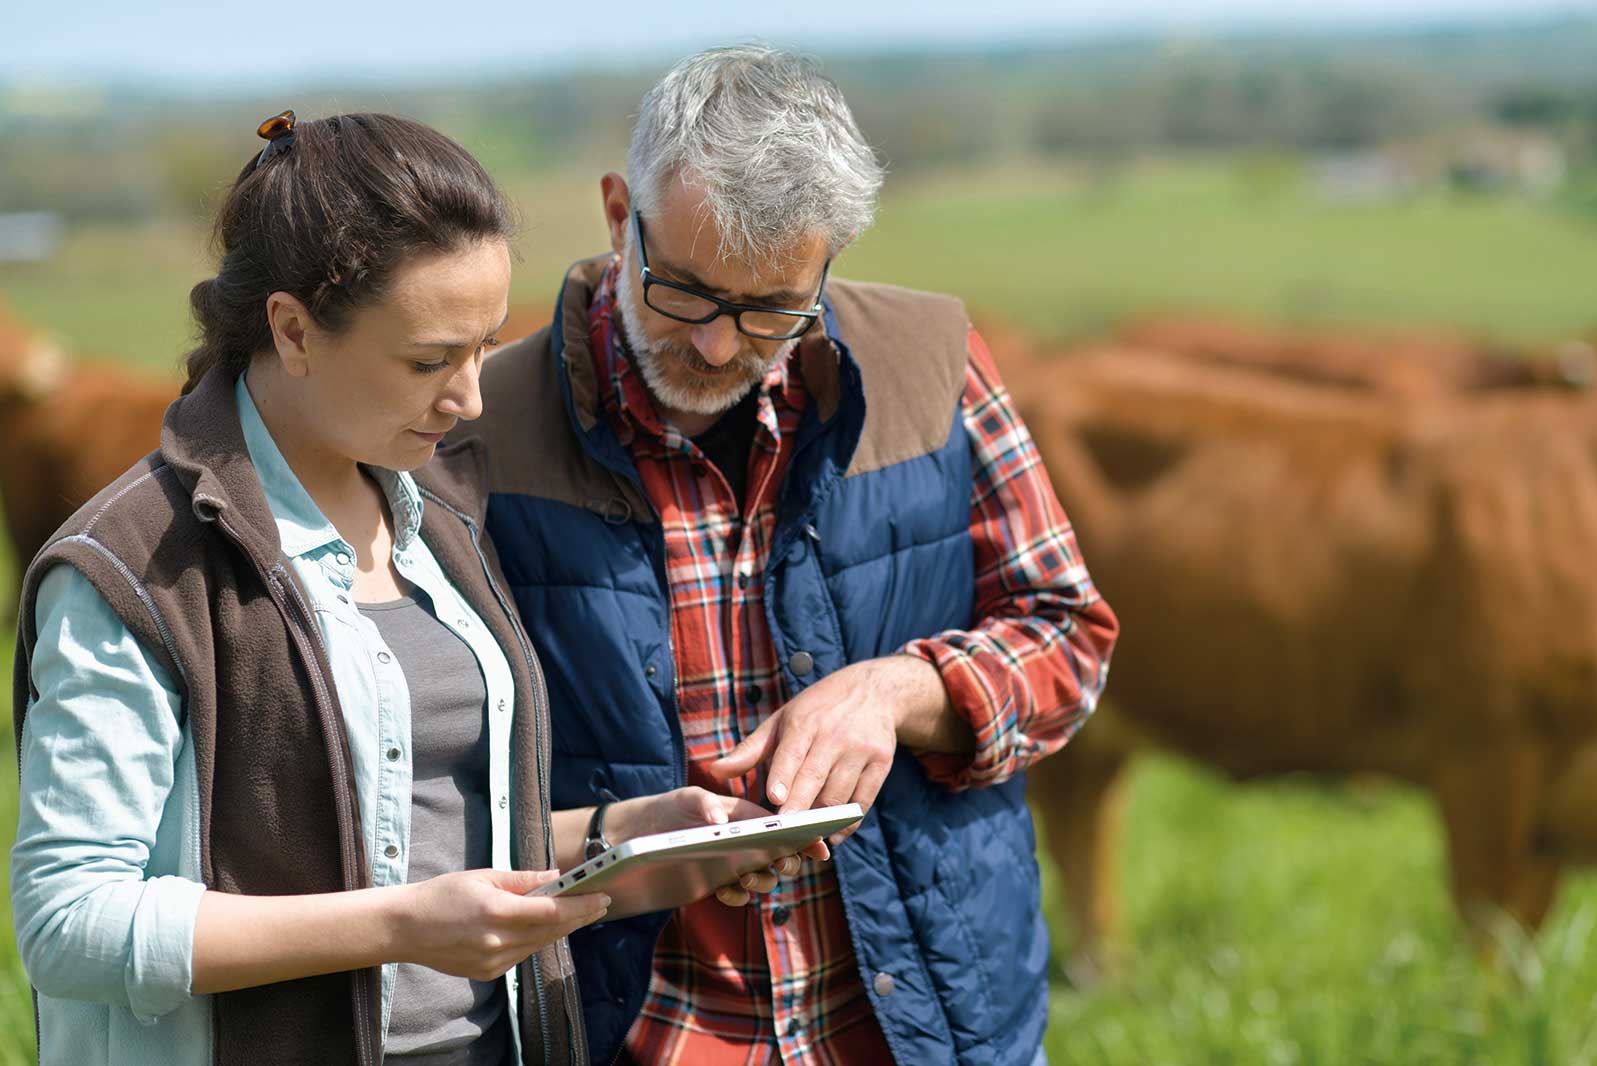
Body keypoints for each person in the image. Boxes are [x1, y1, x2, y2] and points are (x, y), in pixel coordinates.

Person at [9, 110, 795, 1066]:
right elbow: (70, 923)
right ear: (292, 329)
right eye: (429, 361)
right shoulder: (134, 565)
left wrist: (625, 842)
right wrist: (397, 928)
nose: (468, 397)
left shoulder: (441, 513)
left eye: (483, 349)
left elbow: (412, 842)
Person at [460, 46, 1120, 1066]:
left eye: (769, 309)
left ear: (829, 261)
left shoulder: (930, 362)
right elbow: (408, 779)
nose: (720, 347)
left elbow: (1067, 637)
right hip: (630, 1036)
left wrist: (902, 691)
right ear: (613, 213)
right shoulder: (477, 432)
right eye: (683, 293)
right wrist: (625, 842)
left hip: (929, 1027)